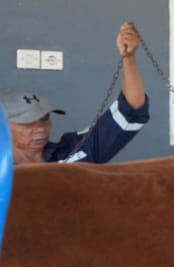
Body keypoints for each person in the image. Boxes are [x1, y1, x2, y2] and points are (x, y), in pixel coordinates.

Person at [5, 22, 149, 164]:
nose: (40, 128)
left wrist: (129, 58)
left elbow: (131, 110)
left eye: (45, 118)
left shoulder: (74, 151)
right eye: (28, 122)